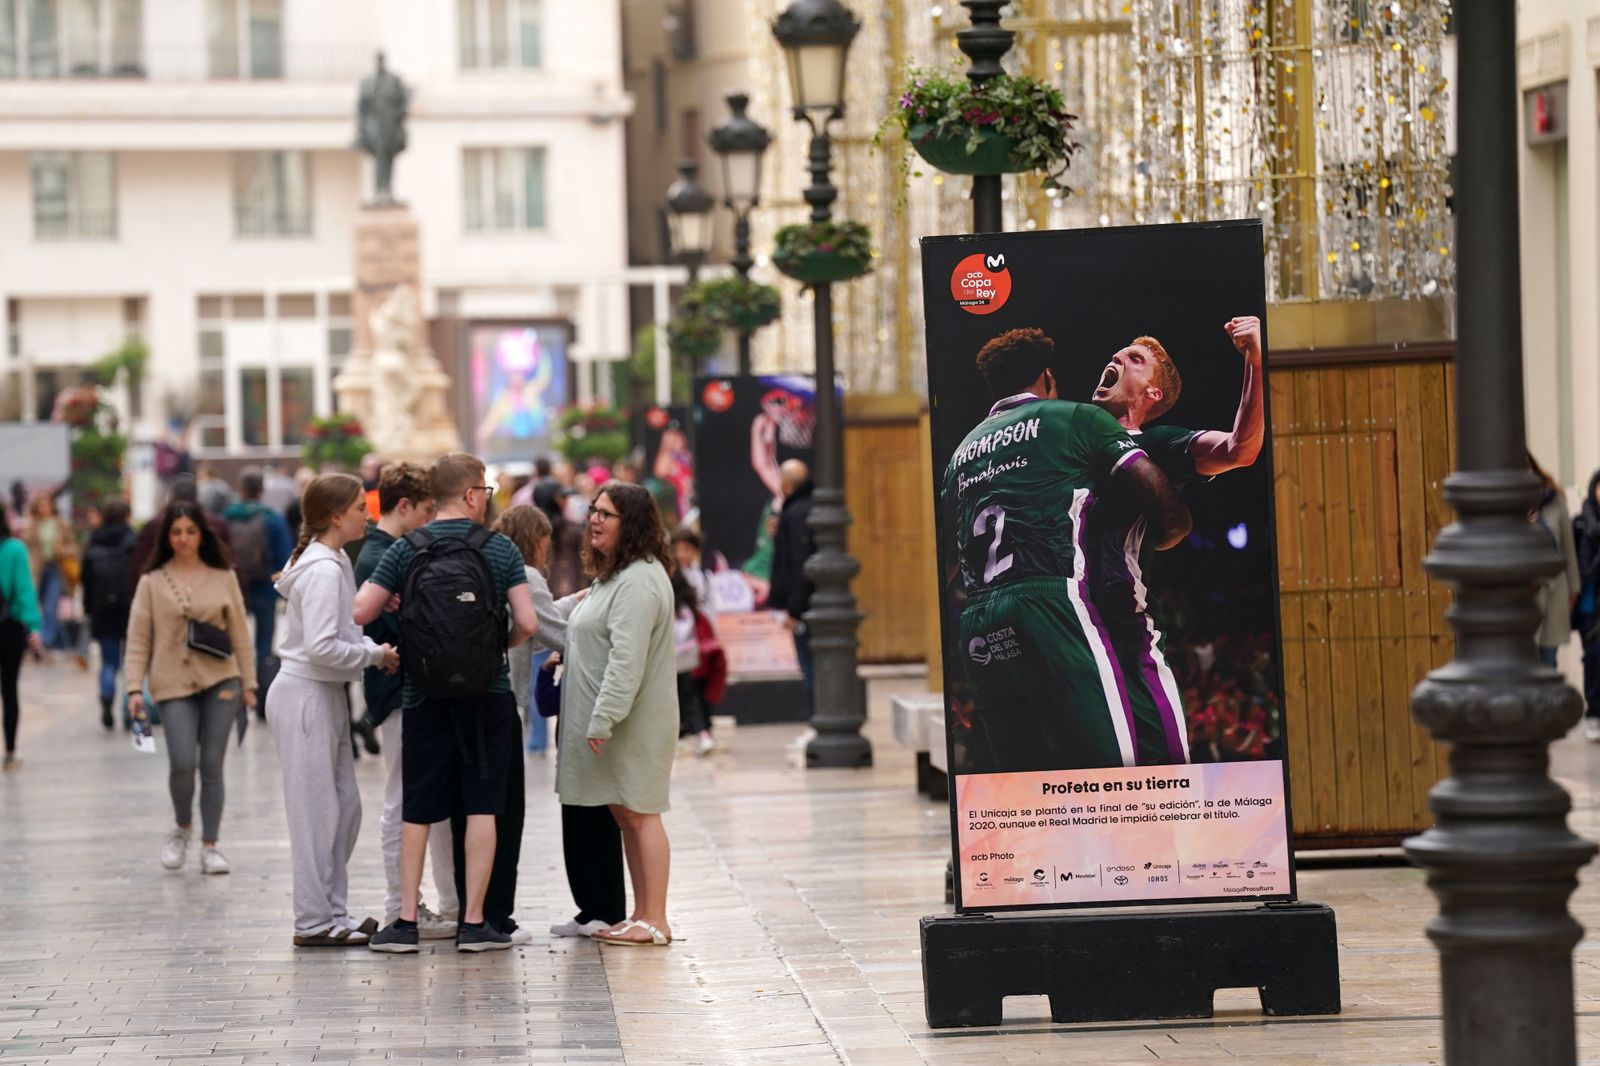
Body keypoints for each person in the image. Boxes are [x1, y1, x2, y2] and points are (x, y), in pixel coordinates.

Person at [941, 327, 1190, 774]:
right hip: (1051, 603)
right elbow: (1168, 509)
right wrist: (1158, 538)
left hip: (978, 622)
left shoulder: (959, 455)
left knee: (1030, 785)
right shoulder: (1072, 417)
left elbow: (946, 564)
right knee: (1114, 776)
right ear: (1047, 378)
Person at [354, 452, 538, 954]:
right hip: (487, 694)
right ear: (474, 494)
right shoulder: (499, 550)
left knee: (419, 808)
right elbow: (527, 622)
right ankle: (475, 923)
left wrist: (399, 605)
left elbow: (360, 609)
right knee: (482, 806)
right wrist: (497, 648)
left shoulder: (406, 549)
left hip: (423, 693)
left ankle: (406, 922)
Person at [1083, 317, 1265, 765]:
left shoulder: (1157, 443)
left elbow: (1242, 449)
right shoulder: (1069, 437)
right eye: (1118, 354)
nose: (1117, 358)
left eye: (1135, 359)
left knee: (1160, 766)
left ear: (1152, 395)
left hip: (1118, 618)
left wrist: (1257, 360)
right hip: (1060, 618)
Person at [269, 474, 398, 946]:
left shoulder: (334, 559)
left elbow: (340, 632)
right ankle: (313, 921)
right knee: (316, 814)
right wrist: (373, 655)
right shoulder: (323, 568)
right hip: (306, 694)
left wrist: (371, 649)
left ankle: (331, 914)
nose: (368, 514)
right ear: (336, 516)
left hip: (323, 694)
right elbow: (323, 646)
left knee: (343, 807)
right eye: (361, 508)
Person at [556, 482, 679, 946]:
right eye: (593, 511)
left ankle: (657, 919)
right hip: (616, 724)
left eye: (606, 514)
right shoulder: (614, 578)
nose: (594, 520)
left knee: (643, 814)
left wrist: (604, 717)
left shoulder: (640, 581)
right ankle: (640, 913)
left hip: (634, 723)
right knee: (627, 816)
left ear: (633, 524)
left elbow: (626, 661)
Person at [353, 461, 459, 939]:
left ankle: (424, 900)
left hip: (400, 689)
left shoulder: (385, 551)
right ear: (404, 506)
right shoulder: (384, 556)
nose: (430, 521)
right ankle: (401, 904)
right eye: (425, 511)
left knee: (419, 797)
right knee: (401, 799)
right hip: (396, 689)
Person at [125, 501, 258, 874]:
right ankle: (182, 826)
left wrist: (249, 683)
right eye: (176, 532)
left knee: (212, 764)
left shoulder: (223, 575)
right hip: (171, 682)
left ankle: (211, 845)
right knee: (182, 763)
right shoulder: (152, 581)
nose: (183, 539)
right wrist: (134, 688)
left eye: (190, 531)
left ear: (202, 534)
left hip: (221, 679)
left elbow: (240, 635)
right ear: (167, 537)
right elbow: (138, 638)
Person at [495, 505, 569, 755]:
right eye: (545, 548)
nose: (545, 556)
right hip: (502, 692)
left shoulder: (496, 566)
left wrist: (572, 602)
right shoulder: (525, 575)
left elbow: (531, 632)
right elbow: (554, 634)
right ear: (534, 540)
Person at [223, 468, 295, 692]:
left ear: (241, 489)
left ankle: (234, 691)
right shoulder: (273, 518)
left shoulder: (226, 517)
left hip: (234, 587)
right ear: (262, 490)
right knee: (264, 642)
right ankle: (263, 692)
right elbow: (285, 558)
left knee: (233, 640)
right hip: (264, 586)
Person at [81, 496, 137, 730]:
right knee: (131, 662)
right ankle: (128, 711)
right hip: (130, 608)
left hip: (101, 610)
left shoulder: (93, 541)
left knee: (108, 662)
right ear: (126, 516)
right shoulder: (133, 540)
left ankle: (106, 697)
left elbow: (85, 580)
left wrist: (88, 609)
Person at [768, 460, 817, 712]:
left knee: (811, 668)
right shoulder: (809, 508)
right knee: (814, 668)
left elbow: (799, 563)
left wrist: (794, 610)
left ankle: (817, 721)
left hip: (806, 607)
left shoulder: (795, 513)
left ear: (785, 484)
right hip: (814, 602)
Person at [0, 507, 45, 770]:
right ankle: (10, 750)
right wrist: (33, 626)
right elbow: (24, 589)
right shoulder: (15, 549)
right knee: (9, 689)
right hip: (10, 627)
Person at [1530, 452, 1580, 670]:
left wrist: (1573, 589)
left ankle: (1548, 706)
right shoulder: (1508, 508)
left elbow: (1567, 547)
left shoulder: (1555, 501)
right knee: (1526, 665)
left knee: (1548, 662)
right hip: (1525, 597)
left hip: (1553, 593)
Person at [670, 569, 723, 757]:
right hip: (689, 661)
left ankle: (701, 734)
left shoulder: (677, 608)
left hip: (678, 661)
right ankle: (699, 734)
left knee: (686, 698)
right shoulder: (687, 607)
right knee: (689, 697)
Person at [23, 493, 77, 653]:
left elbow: (73, 546)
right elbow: (27, 545)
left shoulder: (61, 524)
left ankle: (45, 641)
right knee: (34, 604)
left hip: (55, 567)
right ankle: (55, 641)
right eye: (40, 505)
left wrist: (63, 550)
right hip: (37, 569)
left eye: (45, 505)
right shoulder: (32, 525)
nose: (43, 509)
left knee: (50, 605)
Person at [1573, 468, 1600, 742]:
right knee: (1593, 658)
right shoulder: (1581, 524)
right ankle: (1593, 713)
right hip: (1590, 605)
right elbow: (1579, 567)